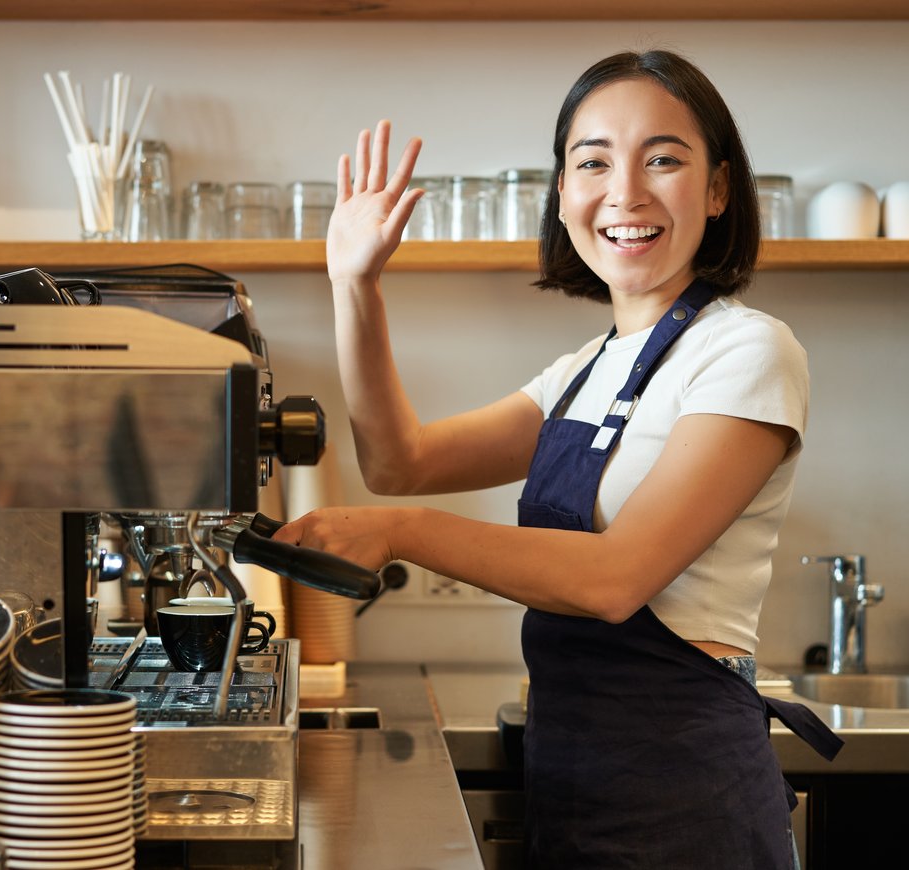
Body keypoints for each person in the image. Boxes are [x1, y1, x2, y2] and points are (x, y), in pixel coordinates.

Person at [272, 49, 843, 868]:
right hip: (571, 773)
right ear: (565, 193)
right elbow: (401, 462)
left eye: (663, 160)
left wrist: (399, 532)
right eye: (593, 162)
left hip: (687, 793)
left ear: (719, 190)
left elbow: (614, 579)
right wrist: (353, 284)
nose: (626, 192)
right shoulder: (586, 369)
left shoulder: (748, 351)